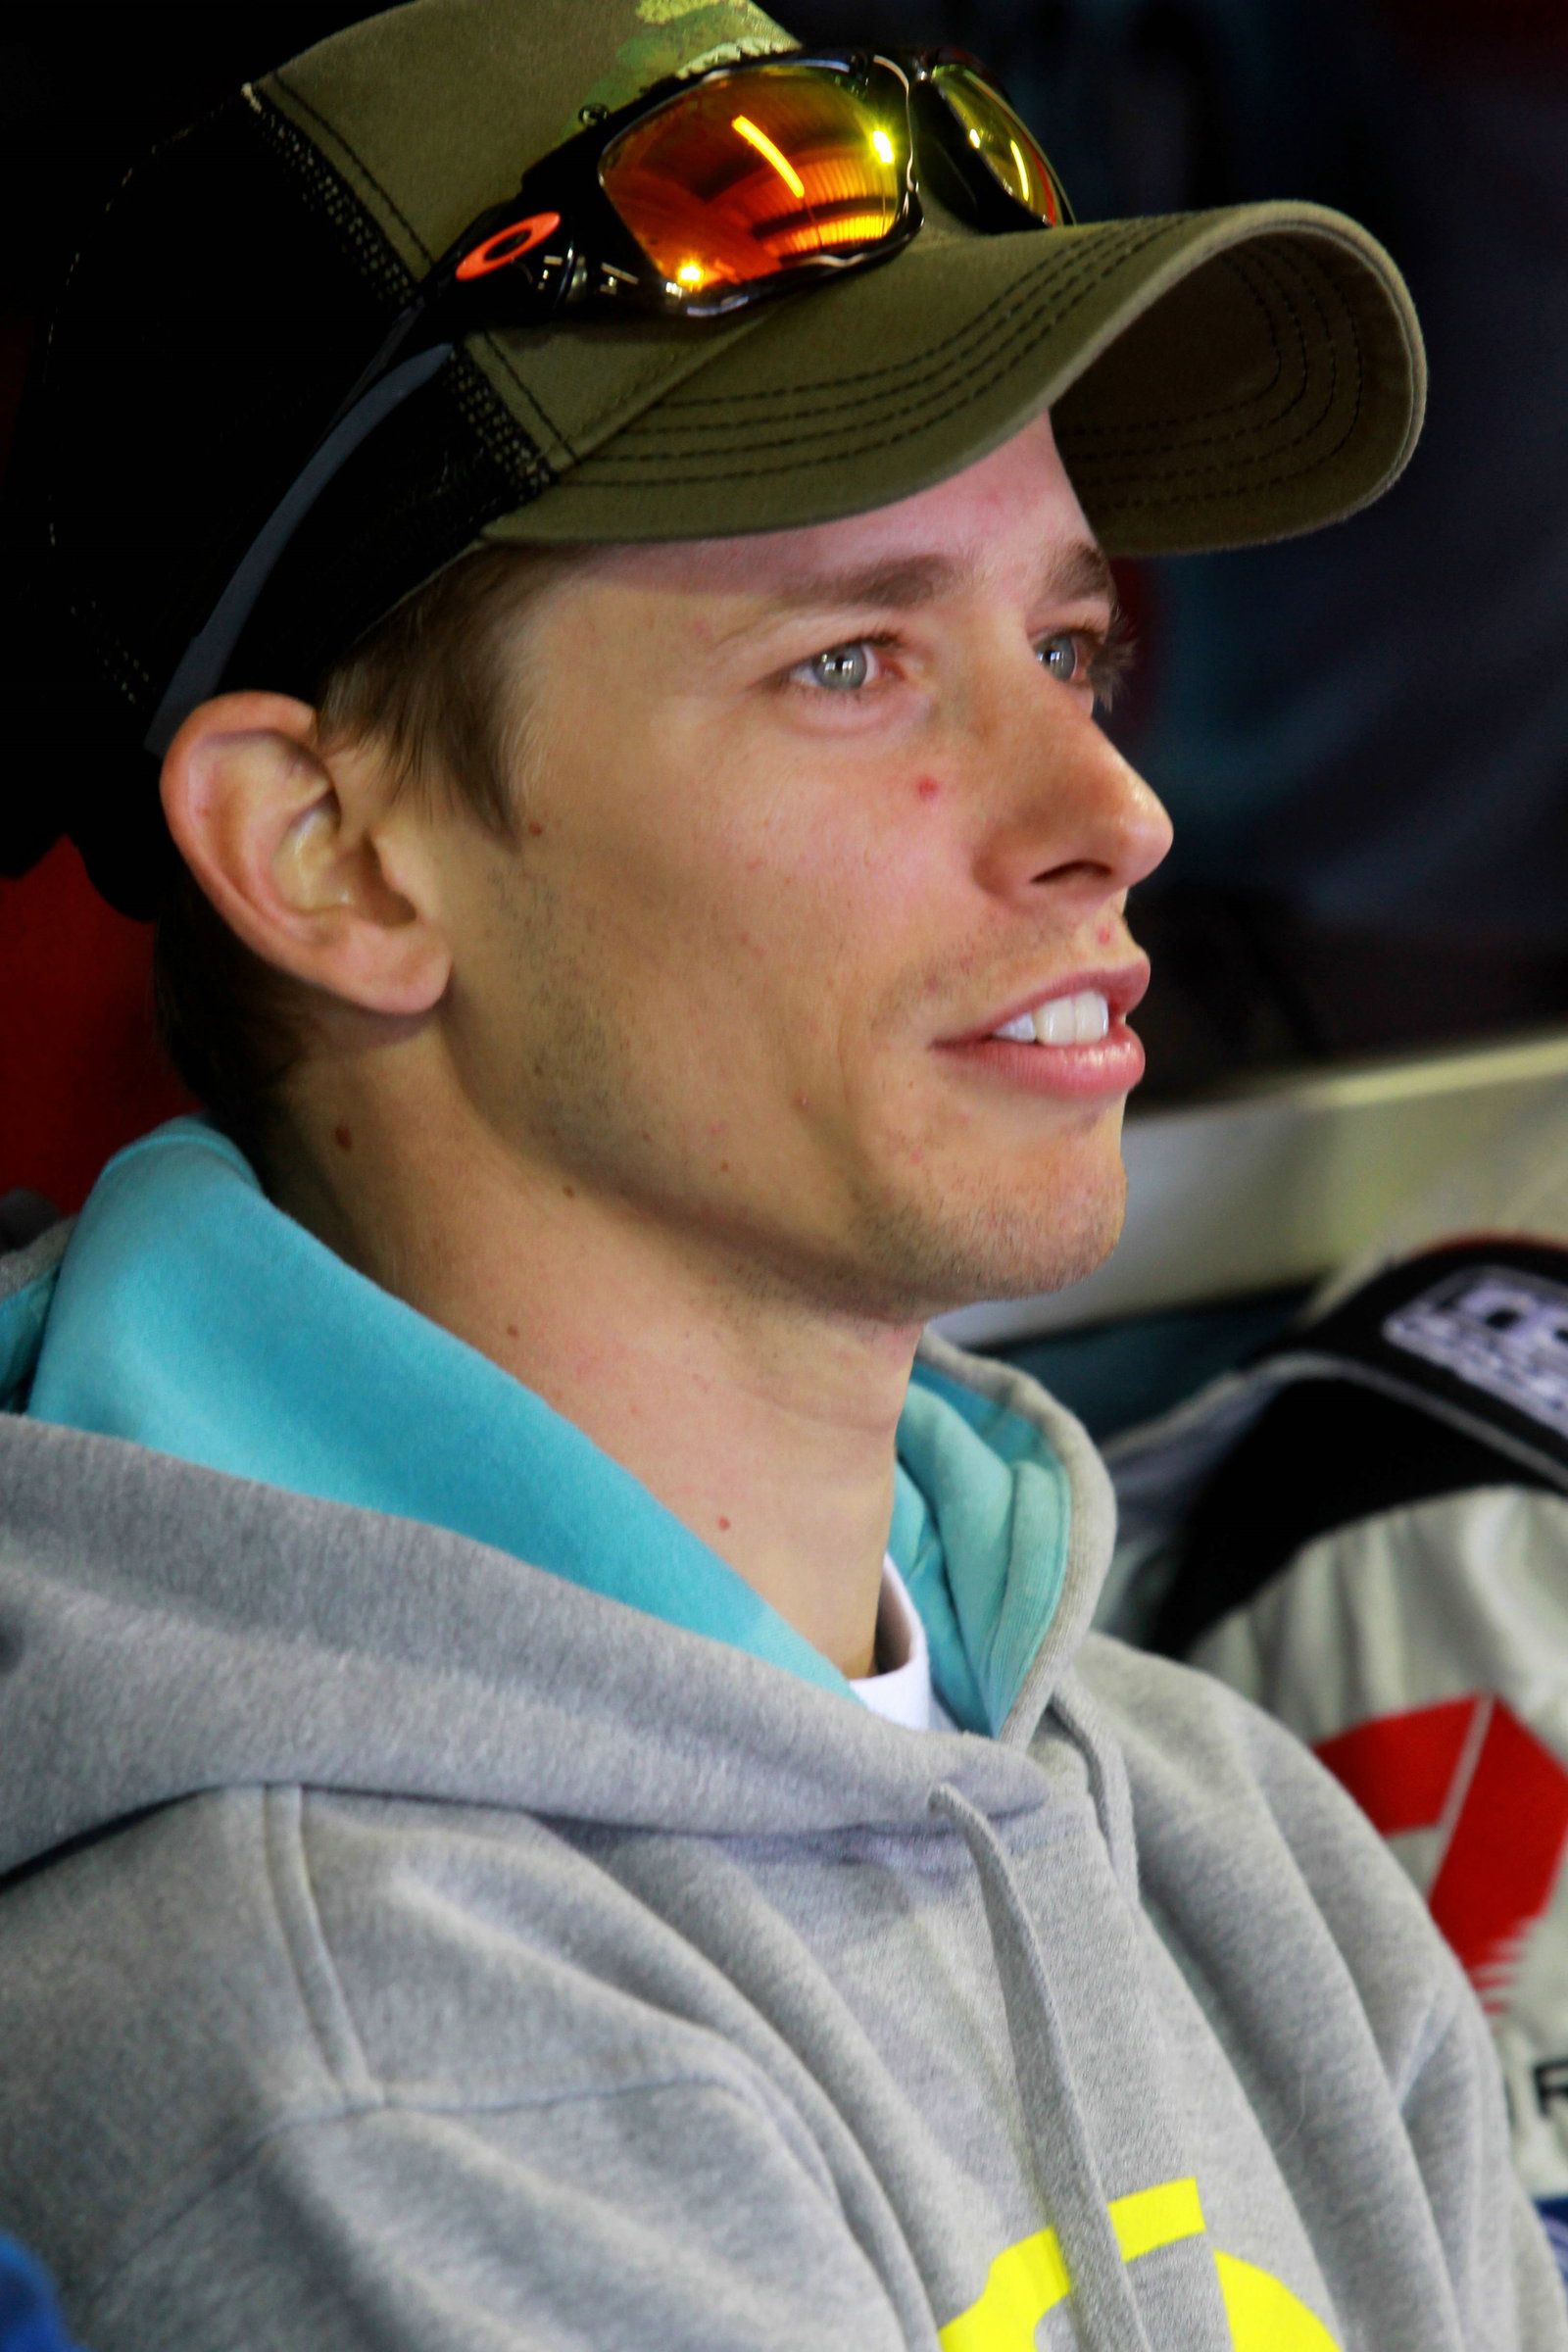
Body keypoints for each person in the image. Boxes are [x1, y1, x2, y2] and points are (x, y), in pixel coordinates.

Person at [0, 1, 1555, 2346]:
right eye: (851, 664)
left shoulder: (1226, 1836)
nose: (1107, 815)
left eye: (1067, 641)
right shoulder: (339, 2055)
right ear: (328, 852)